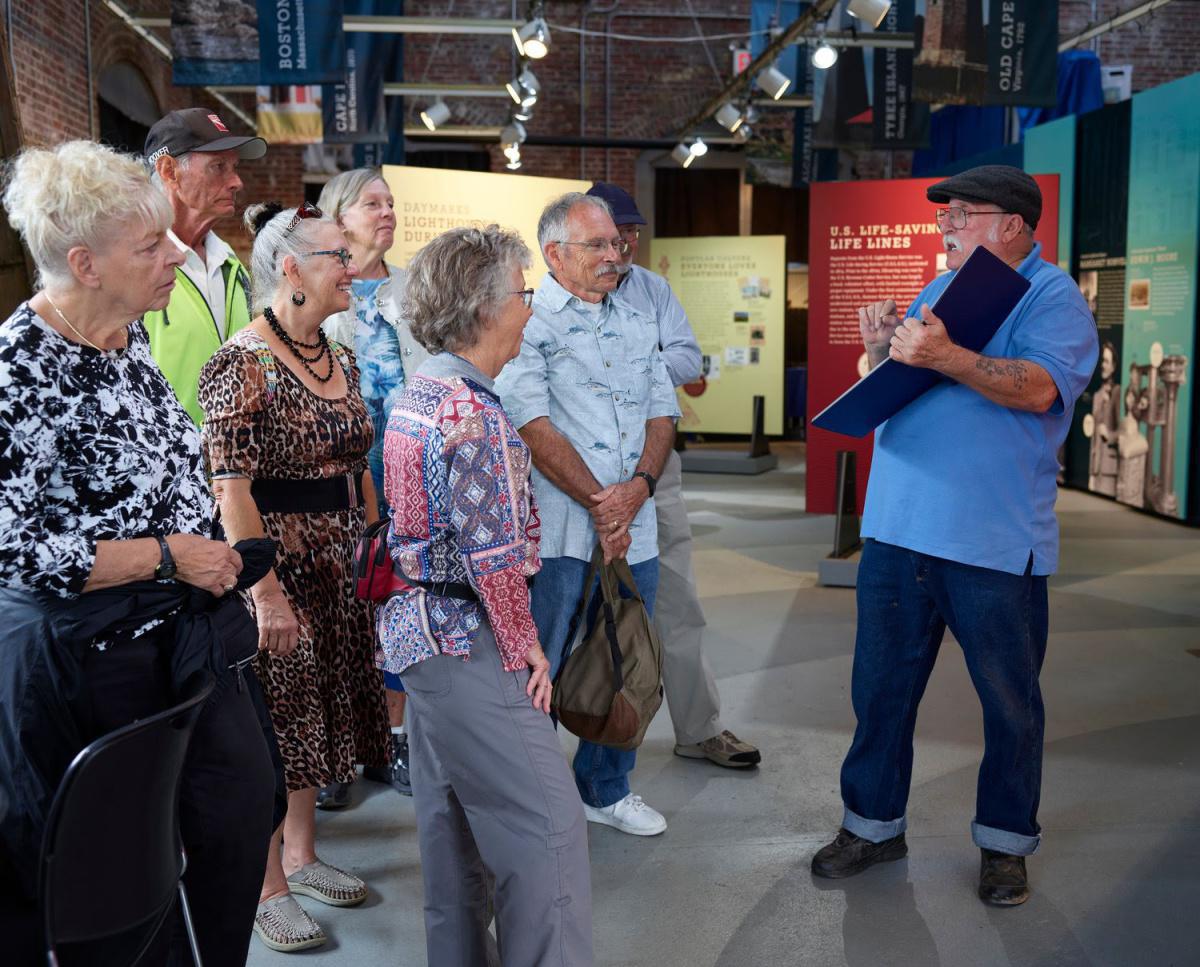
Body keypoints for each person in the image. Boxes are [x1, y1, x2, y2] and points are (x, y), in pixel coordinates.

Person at [0, 140, 275, 966]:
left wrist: (216, 553)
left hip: (182, 639)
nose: (178, 255)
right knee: (116, 884)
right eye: (151, 245)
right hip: (90, 664)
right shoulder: (21, 366)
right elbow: (11, 547)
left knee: (238, 814)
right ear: (83, 262)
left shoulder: (132, 338)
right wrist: (168, 555)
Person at [810, 166, 1099, 906]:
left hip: (992, 541)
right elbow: (895, 383)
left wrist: (944, 356)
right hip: (897, 531)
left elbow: (1039, 388)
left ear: (1012, 223)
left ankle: (1005, 844)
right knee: (880, 691)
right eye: (945, 214)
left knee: (1009, 704)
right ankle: (871, 824)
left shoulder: (1053, 297)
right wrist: (878, 350)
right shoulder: (939, 290)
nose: (945, 225)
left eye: (962, 213)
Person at [380, 224, 593, 966]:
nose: (529, 309)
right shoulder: (473, 413)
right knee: (550, 835)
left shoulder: (422, 391)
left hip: (420, 638)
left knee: (452, 836)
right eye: (522, 294)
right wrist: (526, 645)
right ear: (483, 305)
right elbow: (494, 559)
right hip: (471, 640)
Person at [198, 201, 390, 952]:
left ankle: (303, 853)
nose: (352, 265)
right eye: (337, 254)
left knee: (319, 713)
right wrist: (262, 588)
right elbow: (230, 486)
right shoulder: (241, 362)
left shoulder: (333, 352)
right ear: (291, 268)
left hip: (341, 561)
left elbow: (355, 459)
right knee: (275, 722)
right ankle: (265, 882)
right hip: (279, 562)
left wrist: (375, 543)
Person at [496, 192, 680, 837]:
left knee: (629, 657)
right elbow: (530, 421)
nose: (616, 254)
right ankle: (534, 797)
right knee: (541, 662)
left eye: (616, 243)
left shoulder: (634, 317)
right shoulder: (527, 321)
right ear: (555, 255)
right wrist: (604, 503)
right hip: (558, 531)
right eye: (598, 245)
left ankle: (605, 787)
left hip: (635, 525)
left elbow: (665, 410)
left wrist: (638, 488)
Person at [586, 181, 762, 770]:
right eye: (614, 232)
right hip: (575, 478)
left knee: (678, 602)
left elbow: (689, 359)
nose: (626, 242)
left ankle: (700, 727)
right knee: (566, 612)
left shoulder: (652, 290)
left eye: (632, 231)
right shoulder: (552, 297)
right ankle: (562, 749)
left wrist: (624, 362)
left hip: (655, 467)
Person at [315, 167, 429, 806]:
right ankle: (334, 750)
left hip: (406, 471)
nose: (386, 212)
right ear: (338, 214)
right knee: (339, 608)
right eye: (371, 203)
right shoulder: (315, 283)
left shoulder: (412, 288)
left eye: (391, 203)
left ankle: (389, 739)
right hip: (337, 476)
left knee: (399, 602)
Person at [142, 108, 267, 423]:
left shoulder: (232, 266)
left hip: (239, 462)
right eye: (218, 167)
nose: (237, 181)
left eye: (234, 167)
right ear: (169, 171)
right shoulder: (134, 268)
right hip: (168, 466)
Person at [1088, 341, 1120, 496]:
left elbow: (1123, 431)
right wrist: (1091, 472)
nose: (1103, 365)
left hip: (1109, 468)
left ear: (1113, 366)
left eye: (1107, 361)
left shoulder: (1117, 392)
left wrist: (1109, 435)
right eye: (1102, 361)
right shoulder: (1097, 396)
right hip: (1096, 468)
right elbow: (1094, 437)